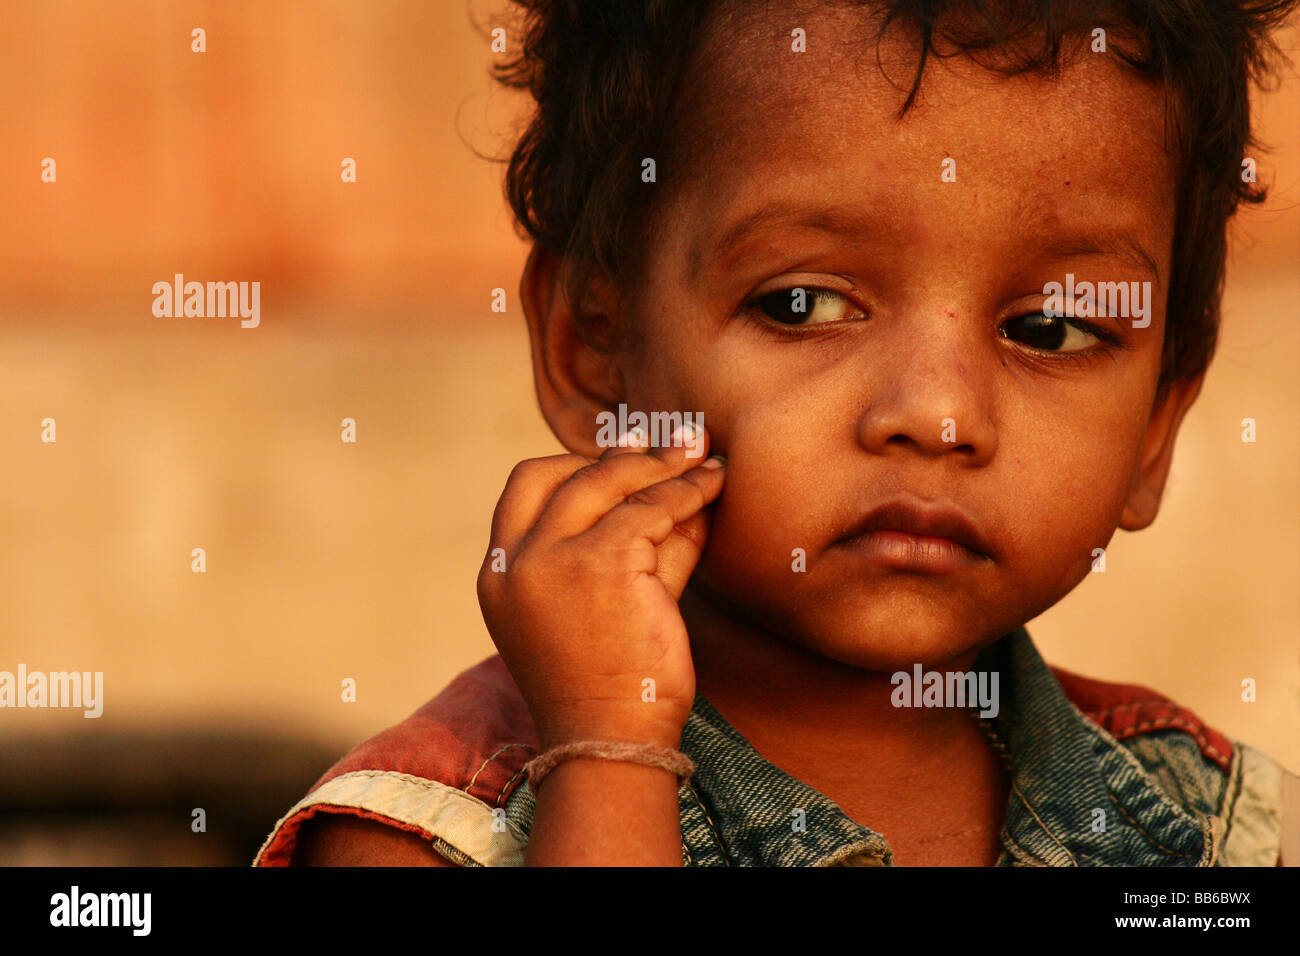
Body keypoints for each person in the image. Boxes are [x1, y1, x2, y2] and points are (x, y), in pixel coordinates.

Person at [257, 0, 1300, 867]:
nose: (936, 415)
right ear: (595, 348)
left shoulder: (1222, 832)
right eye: (802, 305)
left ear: (1157, 425)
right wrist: (608, 760)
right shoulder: (425, 839)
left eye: (1050, 328)